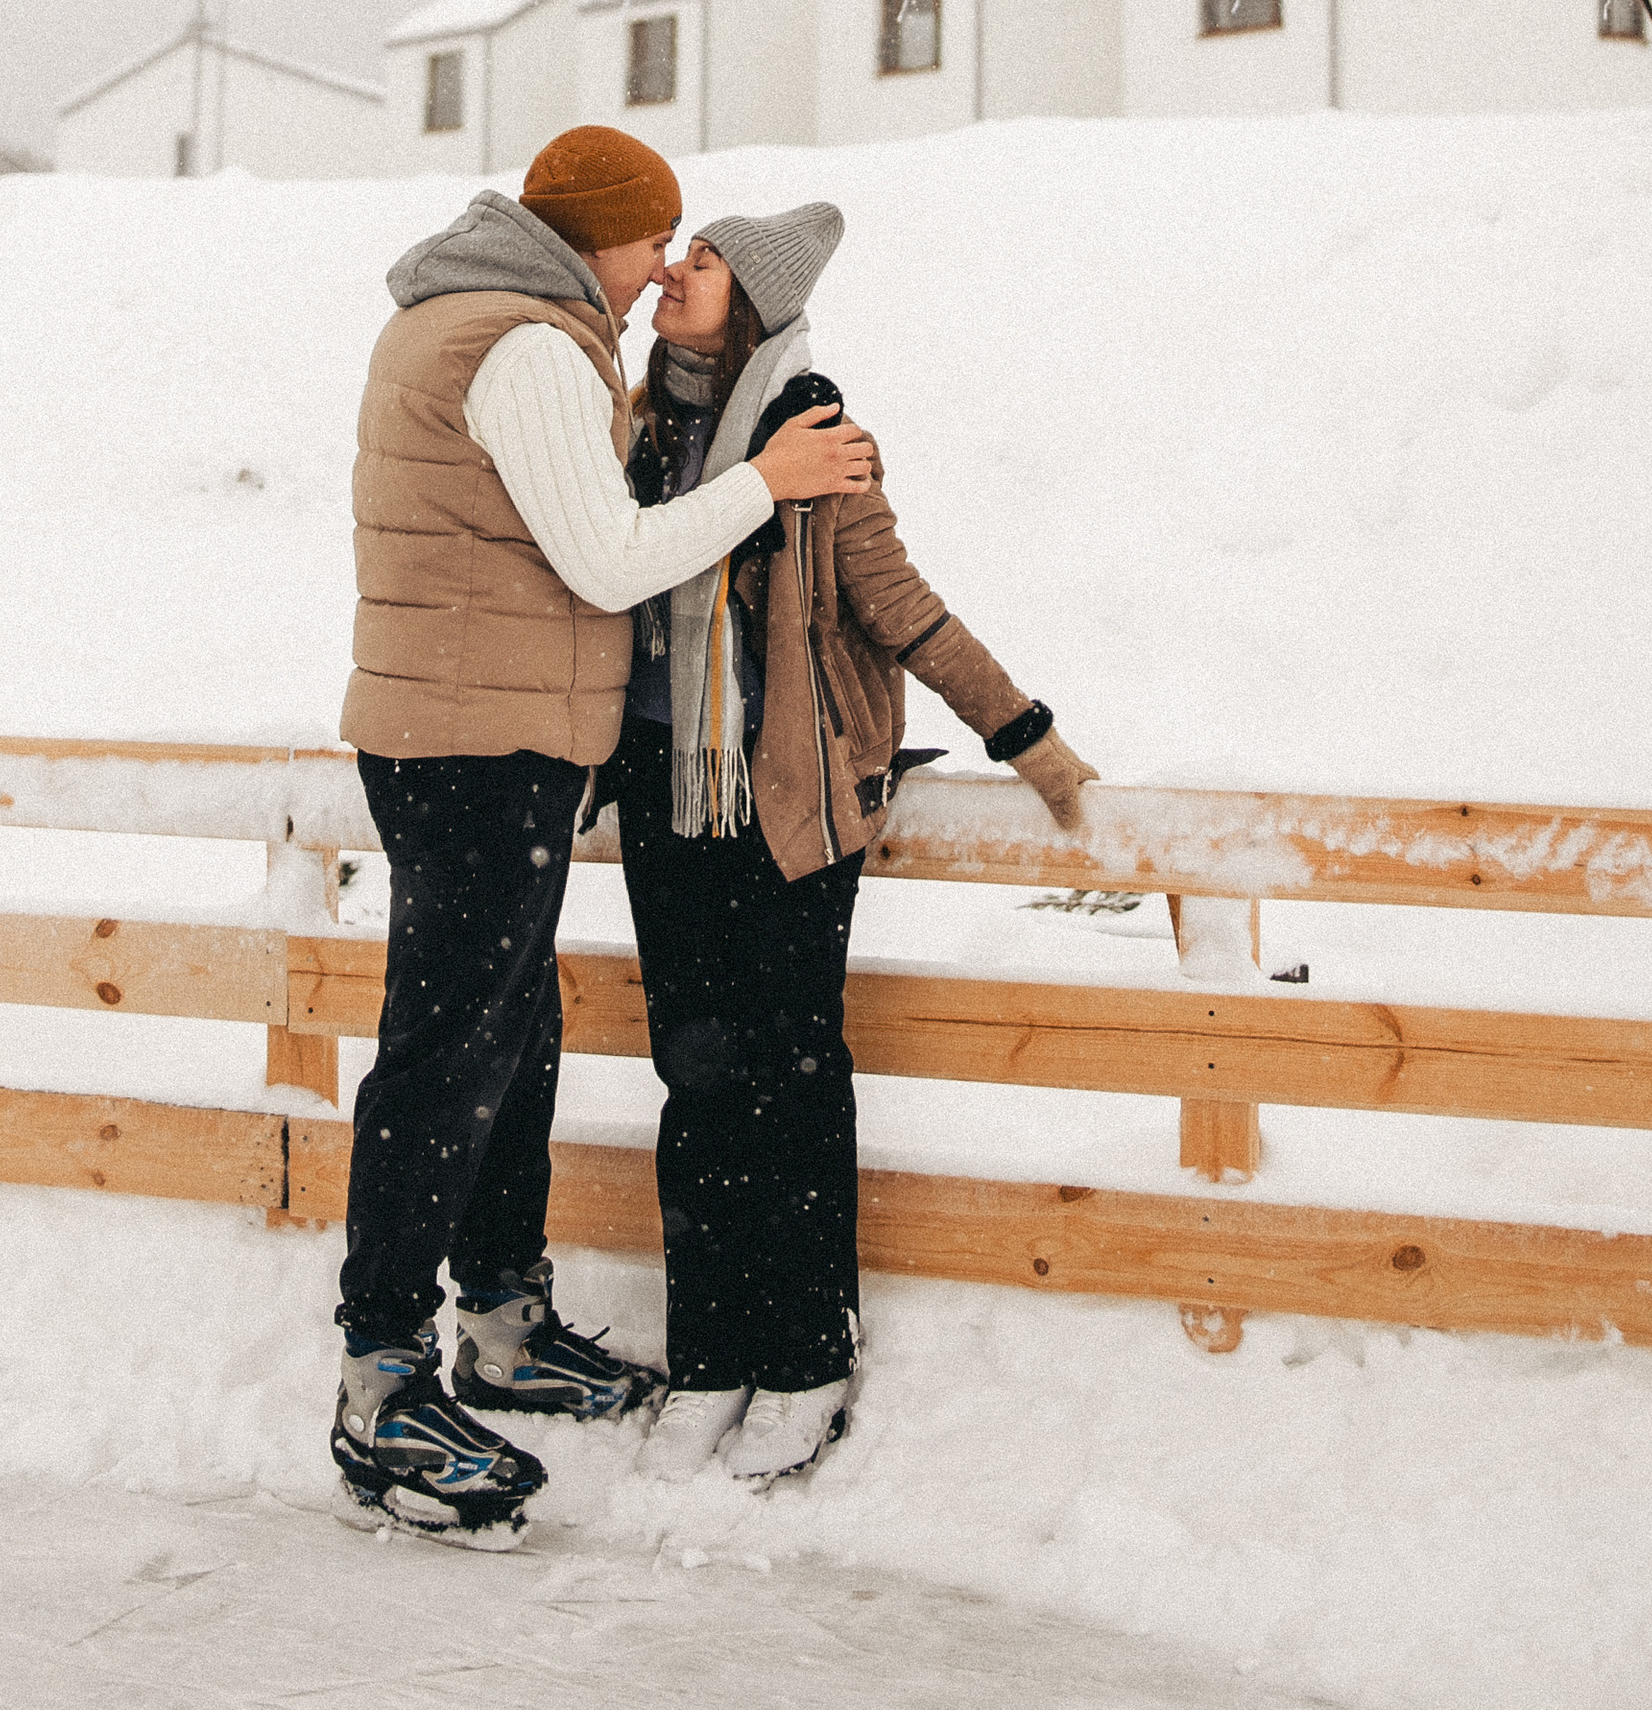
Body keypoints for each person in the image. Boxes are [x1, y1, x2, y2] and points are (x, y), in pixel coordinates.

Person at [329, 125, 877, 1538]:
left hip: (484, 739)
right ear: (597, 232)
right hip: (474, 747)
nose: (655, 276)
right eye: (651, 242)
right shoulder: (521, 344)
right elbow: (609, 556)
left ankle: (504, 1323)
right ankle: (383, 1374)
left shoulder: (481, 319)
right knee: (449, 1048)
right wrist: (770, 483)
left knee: (509, 1034)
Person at [611, 201, 1095, 1489]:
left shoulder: (814, 433)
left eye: (701, 260)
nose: (672, 270)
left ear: (754, 300)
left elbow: (899, 606)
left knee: (790, 1077)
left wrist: (1025, 735)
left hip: (789, 807)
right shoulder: (641, 427)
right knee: (695, 1078)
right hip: (666, 801)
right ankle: (709, 1354)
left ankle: (806, 1350)